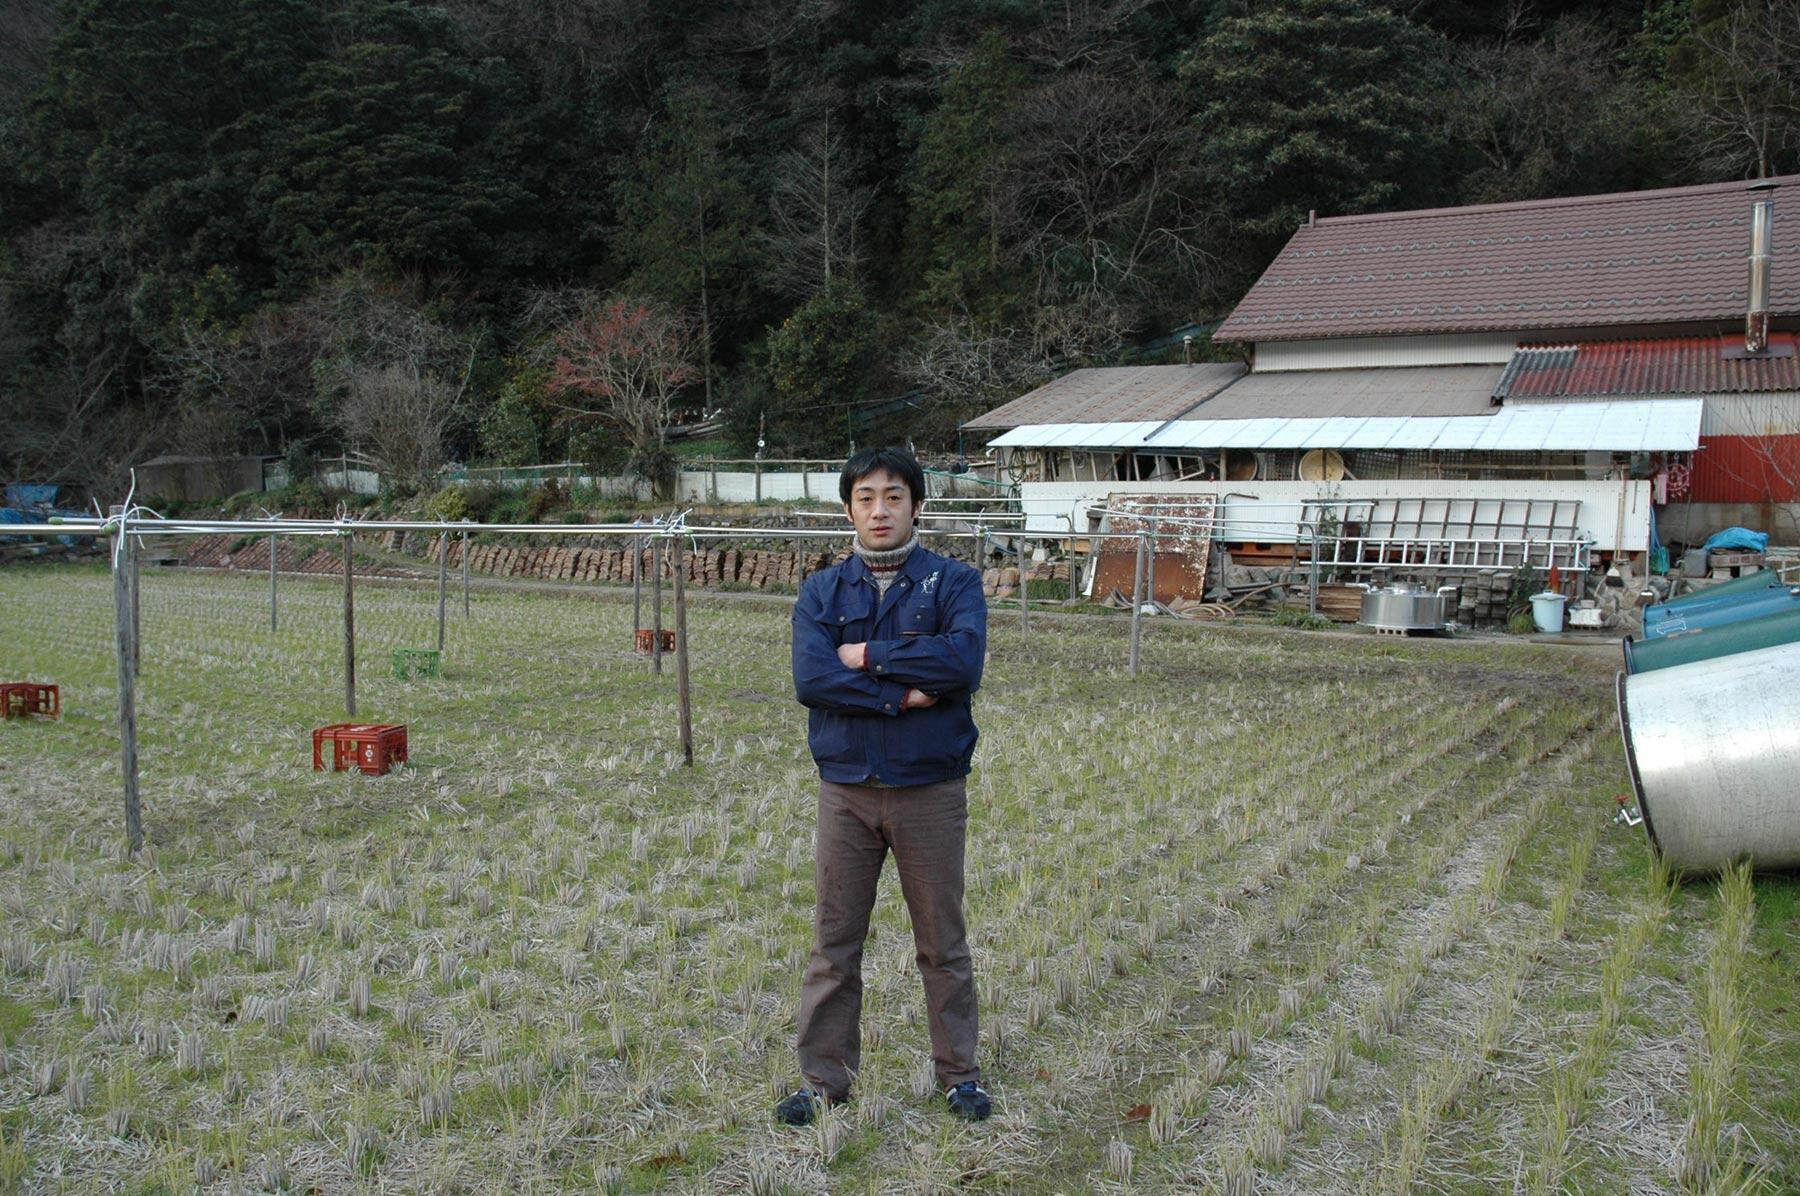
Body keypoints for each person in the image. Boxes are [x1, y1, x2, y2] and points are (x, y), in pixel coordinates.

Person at [777, 446, 992, 1126]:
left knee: (942, 943)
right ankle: (823, 1081)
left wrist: (868, 656)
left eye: (893, 496)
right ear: (849, 508)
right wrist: (902, 696)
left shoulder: (954, 584)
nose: (879, 509)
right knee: (835, 943)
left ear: (916, 505)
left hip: (930, 789)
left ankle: (958, 1076)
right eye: (866, 496)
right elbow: (813, 681)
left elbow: (960, 664)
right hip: (845, 788)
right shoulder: (821, 592)